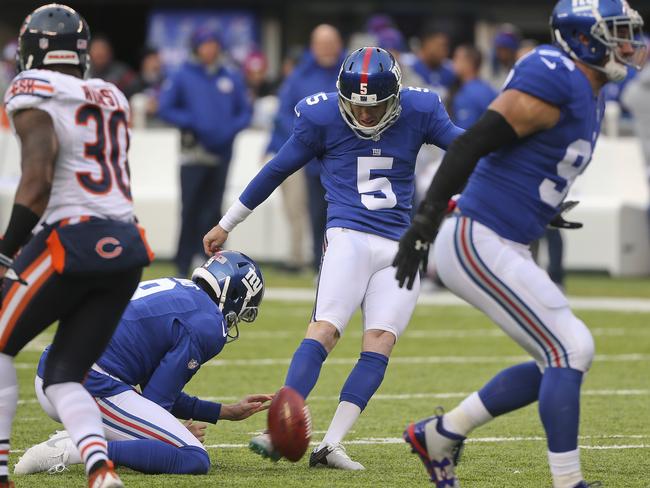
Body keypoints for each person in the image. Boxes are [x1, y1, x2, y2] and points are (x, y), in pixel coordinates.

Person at [393, 1, 645, 487]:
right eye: (618, 34)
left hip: (504, 239)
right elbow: (472, 144)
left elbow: (525, 159)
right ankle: (569, 483)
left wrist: (542, 208)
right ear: (586, 39)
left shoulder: (589, 93)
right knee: (571, 348)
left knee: (558, 356)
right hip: (476, 237)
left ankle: (442, 433)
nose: (630, 46)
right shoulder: (556, 73)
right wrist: (422, 225)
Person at [204, 47, 463, 470]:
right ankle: (277, 427)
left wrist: (516, 158)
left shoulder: (423, 108)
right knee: (325, 329)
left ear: (394, 98)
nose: (363, 116)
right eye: (356, 107)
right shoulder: (321, 116)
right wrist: (227, 223)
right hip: (349, 236)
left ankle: (331, 444)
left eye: (374, 107)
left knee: (380, 342)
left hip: (402, 244)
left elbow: (467, 146)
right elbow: (276, 170)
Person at [0, 4, 157, 488]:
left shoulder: (32, 86)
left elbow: (39, 178)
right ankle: (99, 469)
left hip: (72, 240)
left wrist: (6, 252)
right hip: (127, 247)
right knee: (65, 374)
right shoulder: (112, 94)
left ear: (31, 51)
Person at [13, 251, 270, 476]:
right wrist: (173, 435)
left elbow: (153, 388)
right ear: (235, 295)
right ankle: (72, 449)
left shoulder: (178, 287)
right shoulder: (209, 323)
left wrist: (225, 411)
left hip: (55, 371)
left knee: (157, 438)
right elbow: (156, 399)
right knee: (193, 457)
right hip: (86, 384)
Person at [158, 27, 252, 277]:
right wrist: (194, 123)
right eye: (205, 44)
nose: (209, 49)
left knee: (215, 210)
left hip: (222, 152)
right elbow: (165, 107)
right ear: (196, 47)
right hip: (194, 153)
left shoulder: (230, 76)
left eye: (213, 44)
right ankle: (182, 262)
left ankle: (217, 264)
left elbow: (244, 111)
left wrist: (228, 130)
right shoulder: (182, 75)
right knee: (190, 208)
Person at [266, 24, 345, 272]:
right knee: (312, 211)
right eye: (321, 43)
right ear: (313, 46)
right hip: (309, 154)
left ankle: (339, 261)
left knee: (341, 210)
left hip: (343, 154)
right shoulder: (299, 75)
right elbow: (284, 114)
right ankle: (314, 260)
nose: (326, 49)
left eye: (331, 42)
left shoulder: (348, 71)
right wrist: (308, 138)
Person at [447, 45, 497, 129]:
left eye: (456, 58)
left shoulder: (467, 94)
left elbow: (463, 134)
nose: (453, 62)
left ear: (468, 62)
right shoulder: (489, 89)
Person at [403, 26, 455, 96]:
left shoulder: (451, 71)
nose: (444, 50)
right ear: (427, 43)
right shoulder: (407, 67)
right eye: (440, 45)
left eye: (446, 46)